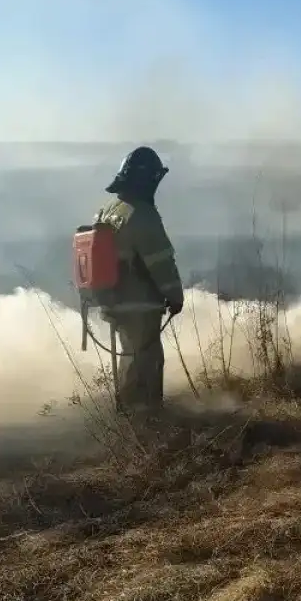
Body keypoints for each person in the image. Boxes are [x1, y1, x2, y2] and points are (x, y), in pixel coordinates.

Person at [92, 146, 184, 414]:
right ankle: (144, 421)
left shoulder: (109, 210)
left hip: (114, 299)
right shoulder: (142, 214)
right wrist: (175, 296)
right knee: (146, 362)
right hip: (139, 303)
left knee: (130, 357)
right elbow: (160, 262)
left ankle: (129, 417)